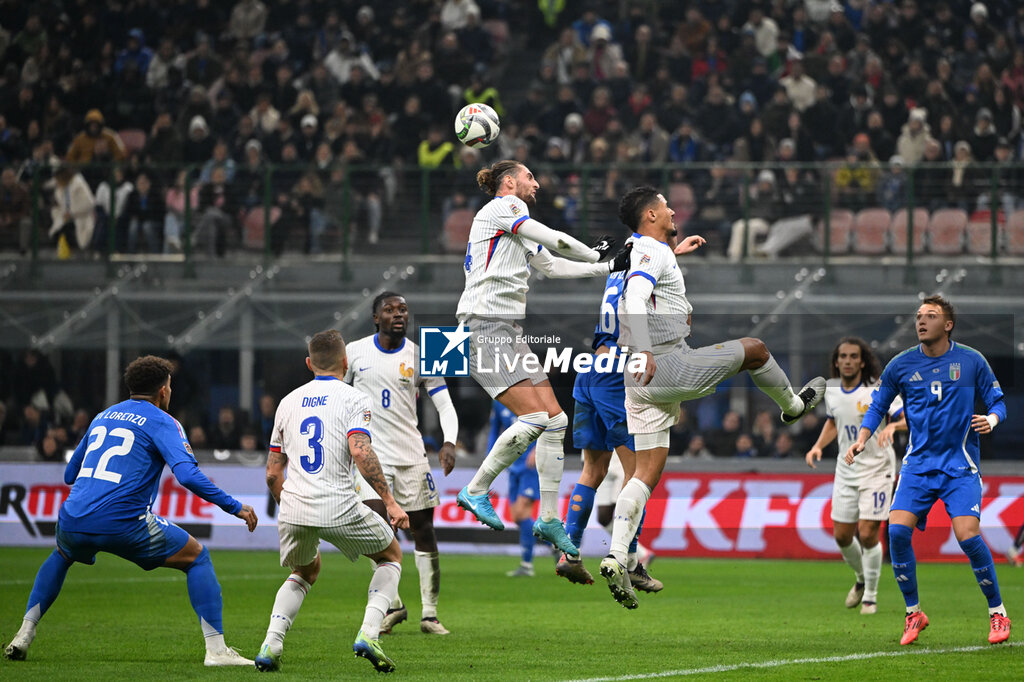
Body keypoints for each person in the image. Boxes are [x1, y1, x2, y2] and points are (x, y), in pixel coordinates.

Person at [600, 186, 826, 609]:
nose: (672, 210)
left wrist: (673, 257)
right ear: (651, 215)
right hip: (666, 363)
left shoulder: (633, 250)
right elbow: (634, 296)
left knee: (644, 474)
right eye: (666, 205)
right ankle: (793, 407)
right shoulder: (653, 250)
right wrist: (650, 348)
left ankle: (617, 556)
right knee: (756, 348)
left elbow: (635, 285)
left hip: (634, 378)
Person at [2, 355, 258, 666]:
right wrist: (235, 507)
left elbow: (70, 474)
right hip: (124, 522)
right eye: (170, 386)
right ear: (163, 391)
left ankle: (24, 633)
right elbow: (188, 475)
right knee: (197, 556)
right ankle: (217, 651)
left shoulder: (103, 416)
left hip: (73, 517)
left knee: (62, 554)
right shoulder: (164, 421)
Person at [454, 159, 632, 558]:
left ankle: (549, 517)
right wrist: (593, 252)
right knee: (534, 418)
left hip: (507, 330)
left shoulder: (512, 222)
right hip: (484, 326)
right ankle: (476, 488)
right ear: (510, 182)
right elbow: (557, 241)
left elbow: (551, 265)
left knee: (556, 419)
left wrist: (605, 266)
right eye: (530, 177)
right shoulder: (506, 207)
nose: (537, 183)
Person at [846, 296, 1010, 646]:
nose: (921, 321)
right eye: (919, 316)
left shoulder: (970, 361)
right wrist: (862, 438)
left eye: (931, 316)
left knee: (968, 536)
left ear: (947, 325)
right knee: (898, 533)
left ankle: (997, 612)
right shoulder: (901, 365)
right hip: (918, 466)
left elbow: (998, 401)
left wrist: (992, 419)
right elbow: (878, 405)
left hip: (959, 466)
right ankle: (913, 613)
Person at [254, 330, 411, 673]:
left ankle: (271, 644)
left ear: (309, 364)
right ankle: (370, 633)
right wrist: (390, 501)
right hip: (338, 502)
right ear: (346, 362)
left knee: (304, 571)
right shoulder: (354, 398)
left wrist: (290, 505)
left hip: (294, 505)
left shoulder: (287, 402)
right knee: (391, 556)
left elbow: (271, 473)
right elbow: (360, 451)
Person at [344, 293, 459, 636]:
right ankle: (393, 606)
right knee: (377, 531)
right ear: (375, 318)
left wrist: (449, 440)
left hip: (412, 457)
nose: (398, 314)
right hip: (372, 459)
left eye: (403, 309)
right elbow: (338, 398)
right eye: (390, 310)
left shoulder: (425, 352)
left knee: (423, 531)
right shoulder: (354, 352)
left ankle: (430, 614)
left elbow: (445, 404)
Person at [557, 265, 661, 593]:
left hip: (591, 369)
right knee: (639, 474)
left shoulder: (616, 271)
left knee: (593, 469)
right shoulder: (647, 268)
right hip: (618, 374)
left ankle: (569, 552)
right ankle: (630, 561)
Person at [805, 337, 905, 615]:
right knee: (842, 536)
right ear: (836, 362)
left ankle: (871, 595)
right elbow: (833, 422)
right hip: (845, 469)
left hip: (877, 469)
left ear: (862, 361)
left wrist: (894, 427)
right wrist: (817, 446)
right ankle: (861, 579)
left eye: (853, 356)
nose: (848, 361)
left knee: (868, 533)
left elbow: (906, 416)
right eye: (843, 357)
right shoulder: (832, 390)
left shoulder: (878, 389)